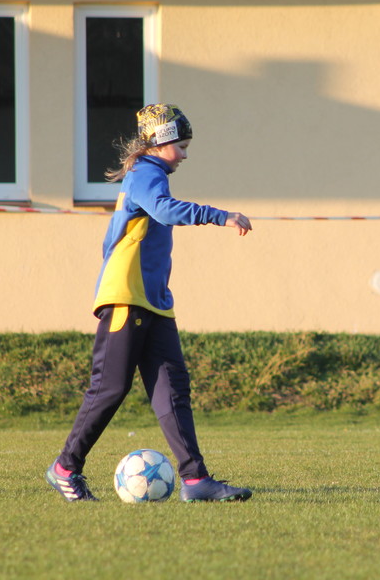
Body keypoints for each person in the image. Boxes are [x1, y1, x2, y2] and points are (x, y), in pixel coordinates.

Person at [45, 103, 254, 503]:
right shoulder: (144, 173)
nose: (186, 155)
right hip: (128, 297)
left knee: (173, 390)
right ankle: (65, 467)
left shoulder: (151, 174)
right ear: (161, 142)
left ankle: (195, 480)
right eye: (182, 145)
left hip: (153, 301)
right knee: (109, 388)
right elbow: (163, 211)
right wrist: (221, 216)